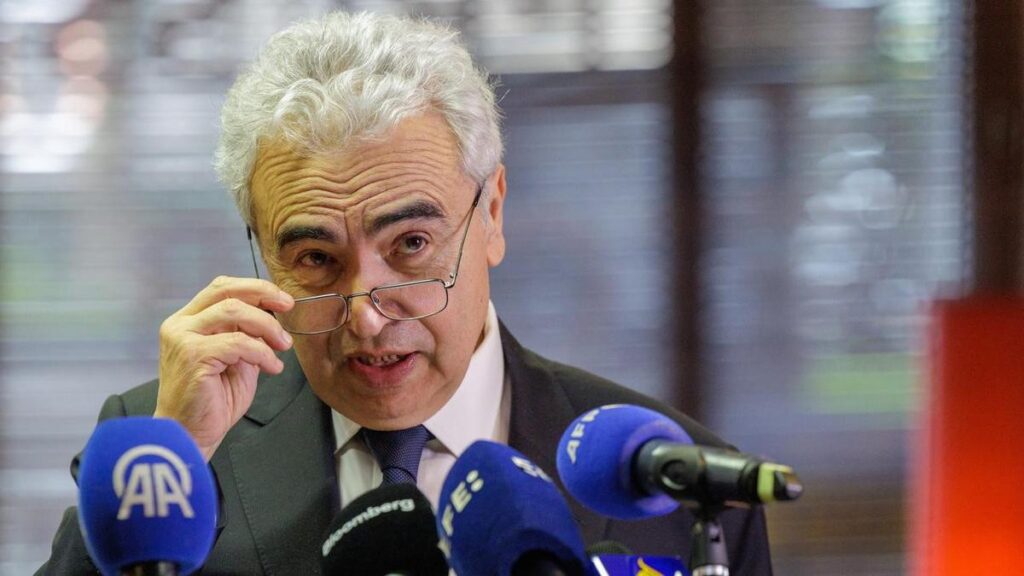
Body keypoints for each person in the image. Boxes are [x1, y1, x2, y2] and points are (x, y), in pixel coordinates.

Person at [38, 11, 773, 575]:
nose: (366, 316)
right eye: (316, 258)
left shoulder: (677, 480)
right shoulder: (165, 445)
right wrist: (173, 458)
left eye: (412, 245)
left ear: (491, 214)